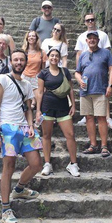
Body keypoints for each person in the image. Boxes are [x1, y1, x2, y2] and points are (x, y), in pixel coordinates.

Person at [0, 49, 43, 223]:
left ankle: (19, 189)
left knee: (37, 163)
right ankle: (6, 209)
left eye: (22, 59)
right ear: (10, 62)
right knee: (9, 165)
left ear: (25, 62)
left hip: (24, 127)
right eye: (16, 59)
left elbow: (28, 109)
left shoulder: (27, 84)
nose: (19, 62)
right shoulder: (2, 79)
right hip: (8, 128)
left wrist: (31, 126)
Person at [36, 48, 78, 177]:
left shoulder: (64, 71)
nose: (54, 58)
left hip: (63, 107)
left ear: (60, 58)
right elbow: (40, 92)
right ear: (48, 57)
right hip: (47, 106)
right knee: (46, 135)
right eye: (52, 55)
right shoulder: (43, 73)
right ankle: (47, 163)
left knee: (70, 134)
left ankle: (73, 163)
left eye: (56, 56)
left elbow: (70, 89)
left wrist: (73, 105)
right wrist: (38, 110)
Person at [75, 31, 112, 158]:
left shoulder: (106, 53)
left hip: (100, 89)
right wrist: (80, 80)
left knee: (102, 117)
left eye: (94, 38)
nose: (92, 40)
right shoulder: (83, 55)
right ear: (86, 41)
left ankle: (104, 146)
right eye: (89, 39)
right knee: (89, 118)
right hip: (85, 91)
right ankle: (93, 144)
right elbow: (77, 72)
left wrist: (110, 85)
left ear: (98, 40)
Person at [75, 14, 112, 130]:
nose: (90, 22)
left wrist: (110, 82)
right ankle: (86, 117)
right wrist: (79, 74)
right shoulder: (81, 37)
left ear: (95, 21)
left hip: (100, 70)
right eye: (87, 20)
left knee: (103, 98)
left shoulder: (103, 35)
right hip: (86, 69)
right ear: (84, 22)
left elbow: (107, 55)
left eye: (92, 19)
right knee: (88, 108)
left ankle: (108, 117)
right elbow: (78, 54)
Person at [21, 30, 45, 108]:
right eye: (29, 36)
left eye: (33, 36)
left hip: (36, 77)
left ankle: (36, 116)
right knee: (25, 101)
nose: (31, 37)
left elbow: (43, 68)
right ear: (27, 38)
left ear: (36, 38)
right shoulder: (23, 52)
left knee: (38, 101)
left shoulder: (41, 52)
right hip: (25, 76)